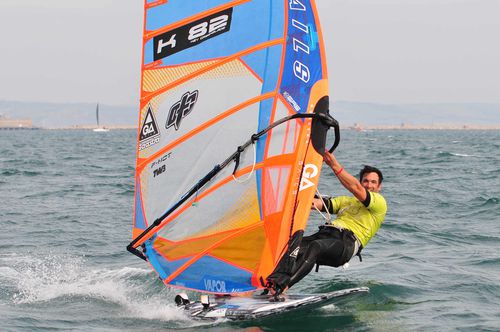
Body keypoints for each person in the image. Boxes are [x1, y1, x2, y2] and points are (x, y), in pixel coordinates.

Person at [265, 149, 387, 295]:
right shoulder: (346, 201)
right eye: (365, 181)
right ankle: (263, 285)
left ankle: (281, 287)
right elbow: (317, 204)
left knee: (315, 247)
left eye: (373, 182)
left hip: (346, 244)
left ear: (379, 187)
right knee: (285, 246)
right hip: (325, 235)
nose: (369, 185)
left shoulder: (379, 203)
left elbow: (355, 188)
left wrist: (334, 165)